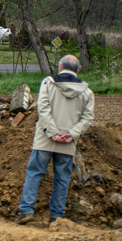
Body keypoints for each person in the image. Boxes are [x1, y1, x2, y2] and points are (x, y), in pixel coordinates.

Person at [16, 54, 95, 224]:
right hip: (67, 143)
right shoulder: (87, 92)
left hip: (45, 139)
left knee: (34, 173)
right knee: (62, 178)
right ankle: (56, 216)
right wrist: (71, 134)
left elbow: (42, 108)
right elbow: (87, 118)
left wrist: (52, 132)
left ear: (60, 67)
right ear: (78, 70)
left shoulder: (48, 83)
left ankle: (26, 211)